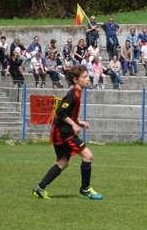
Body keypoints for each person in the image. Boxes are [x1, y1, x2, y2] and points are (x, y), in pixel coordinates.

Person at [32, 65, 104, 200]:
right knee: (88, 156)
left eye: (88, 76)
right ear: (76, 80)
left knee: (63, 162)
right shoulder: (73, 94)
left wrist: (79, 122)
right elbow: (60, 112)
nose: (88, 79)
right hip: (64, 132)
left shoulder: (77, 92)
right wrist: (73, 124)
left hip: (61, 131)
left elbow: (68, 113)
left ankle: (40, 188)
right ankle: (85, 189)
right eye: (84, 77)